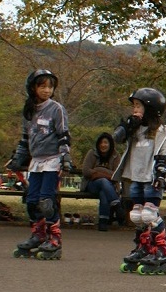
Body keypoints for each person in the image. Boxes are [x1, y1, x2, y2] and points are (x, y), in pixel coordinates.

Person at [7, 70, 72, 261]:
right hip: (36, 161)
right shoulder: (29, 111)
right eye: (42, 86)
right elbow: (25, 139)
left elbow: (64, 135)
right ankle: (38, 235)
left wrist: (66, 157)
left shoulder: (56, 108)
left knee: (46, 201)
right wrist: (17, 158)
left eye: (50, 86)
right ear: (33, 88)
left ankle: (54, 239)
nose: (47, 90)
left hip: (52, 159)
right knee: (32, 201)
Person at [113, 87, 166, 275]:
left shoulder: (163, 131)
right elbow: (116, 138)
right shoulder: (134, 130)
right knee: (137, 216)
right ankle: (143, 247)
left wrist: (162, 175)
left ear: (151, 108)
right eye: (134, 106)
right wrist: (128, 125)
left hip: (152, 179)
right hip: (136, 178)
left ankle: (161, 251)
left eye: (138, 106)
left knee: (149, 215)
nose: (134, 110)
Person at [80, 133, 121, 231]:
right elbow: (86, 171)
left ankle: (103, 221)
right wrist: (106, 175)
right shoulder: (92, 153)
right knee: (103, 181)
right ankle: (116, 205)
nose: (103, 145)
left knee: (104, 192)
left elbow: (116, 175)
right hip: (91, 185)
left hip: (108, 187)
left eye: (106, 142)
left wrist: (97, 171)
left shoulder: (116, 156)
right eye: (101, 142)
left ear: (110, 144)